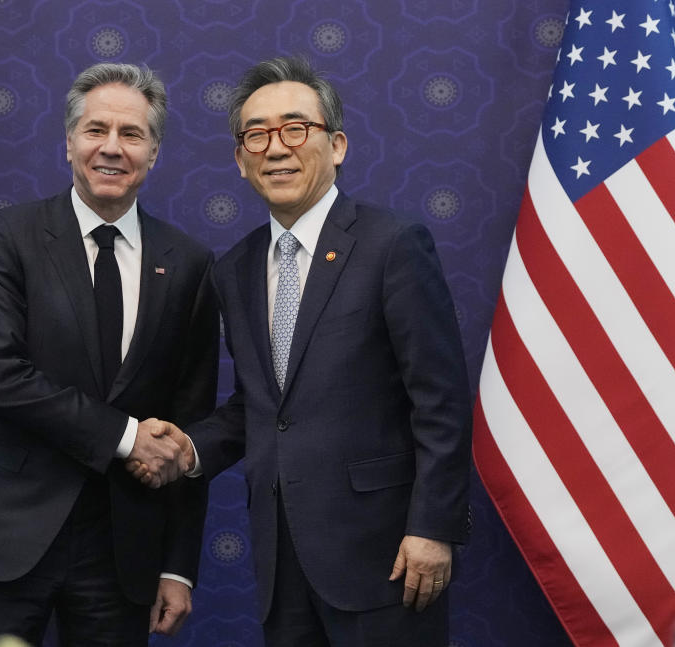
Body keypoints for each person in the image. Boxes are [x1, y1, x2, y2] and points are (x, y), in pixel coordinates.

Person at [131, 56, 471, 646]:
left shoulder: (393, 244)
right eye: (256, 135)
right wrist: (189, 449)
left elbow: (440, 401)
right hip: (281, 562)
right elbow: (260, 406)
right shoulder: (234, 269)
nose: (276, 148)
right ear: (240, 160)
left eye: (296, 128)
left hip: (387, 556)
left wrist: (433, 528)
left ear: (336, 145)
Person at [0, 62, 218, 647]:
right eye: (95, 130)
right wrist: (125, 436)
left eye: (131, 134)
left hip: (124, 549)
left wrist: (177, 565)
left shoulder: (189, 262)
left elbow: (190, 422)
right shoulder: (8, 235)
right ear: (69, 144)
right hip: (5, 534)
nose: (112, 148)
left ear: (154, 152)